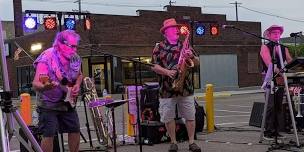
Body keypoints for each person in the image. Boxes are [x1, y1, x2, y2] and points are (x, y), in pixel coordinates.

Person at [151, 18, 201, 152]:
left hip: (186, 88)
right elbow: (154, 66)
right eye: (173, 28)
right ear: (166, 32)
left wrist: (191, 56)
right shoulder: (159, 47)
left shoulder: (185, 45)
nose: (177, 30)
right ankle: (173, 142)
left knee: (190, 116)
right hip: (167, 89)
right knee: (168, 117)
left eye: (176, 28)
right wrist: (167, 72)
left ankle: (192, 142)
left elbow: (197, 63)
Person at [32, 30, 83, 152]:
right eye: (72, 46)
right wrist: (46, 87)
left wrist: (77, 85)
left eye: (76, 46)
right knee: (49, 134)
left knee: (75, 129)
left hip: (68, 102)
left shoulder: (75, 58)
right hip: (48, 104)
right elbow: (36, 83)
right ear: (60, 44)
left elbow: (80, 75)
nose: (75, 50)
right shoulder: (47, 57)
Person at [260, 25, 292, 139]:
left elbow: (289, 61)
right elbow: (269, 64)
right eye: (274, 33)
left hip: (281, 79)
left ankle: (276, 131)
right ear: (269, 35)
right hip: (270, 79)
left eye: (278, 33)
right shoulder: (265, 47)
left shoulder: (284, 48)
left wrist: (292, 69)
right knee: (270, 105)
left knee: (279, 106)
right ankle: (268, 131)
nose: (277, 35)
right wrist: (281, 73)